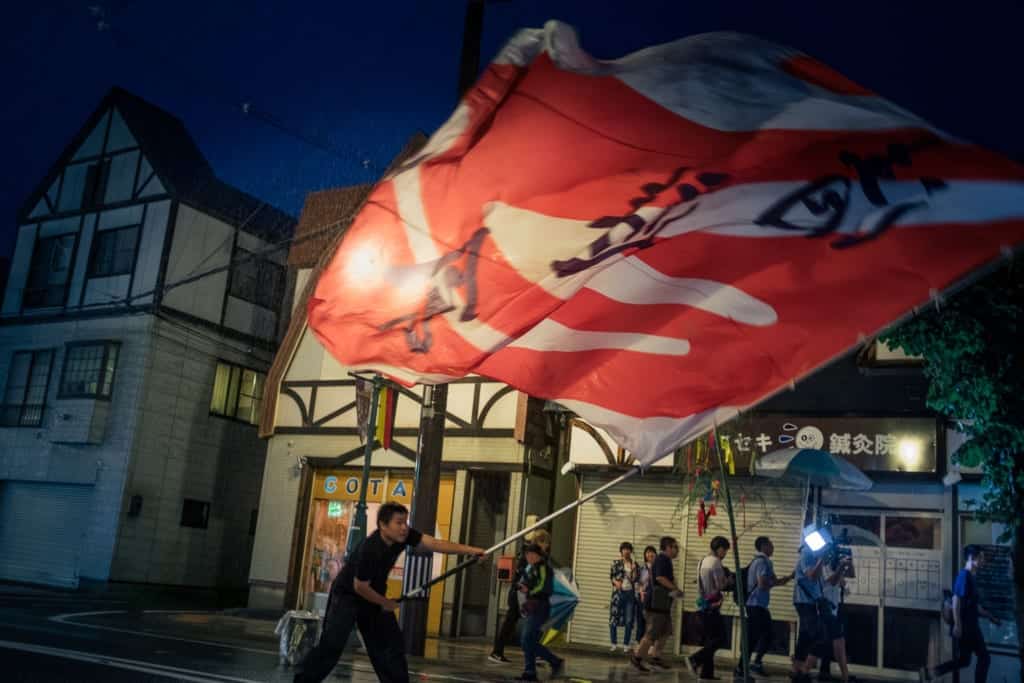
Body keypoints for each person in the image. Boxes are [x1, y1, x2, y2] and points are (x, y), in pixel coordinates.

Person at [294, 502, 486, 683]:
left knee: (391, 647)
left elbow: (435, 544)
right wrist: (384, 603)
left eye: (405, 522)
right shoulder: (370, 548)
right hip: (347, 597)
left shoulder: (403, 536)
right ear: (383, 525)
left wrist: (471, 550)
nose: (404, 527)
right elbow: (360, 586)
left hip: (373, 595)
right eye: (399, 523)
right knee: (332, 646)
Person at [921, 545, 1001, 683]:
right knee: (984, 657)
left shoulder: (971, 577)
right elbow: (956, 599)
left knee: (964, 661)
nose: (984, 560)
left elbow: (974, 606)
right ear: (971, 558)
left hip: (969, 626)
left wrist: (991, 617)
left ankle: (930, 673)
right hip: (968, 627)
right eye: (981, 557)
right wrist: (958, 625)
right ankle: (930, 673)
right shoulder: (964, 576)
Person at [489, 529, 552, 664]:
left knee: (513, 623)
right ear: (540, 542)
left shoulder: (531, 555)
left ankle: (498, 651)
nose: (547, 546)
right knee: (519, 623)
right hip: (520, 595)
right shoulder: (531, 556)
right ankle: (498, 652)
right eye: (546, 543)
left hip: (521, 594)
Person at [735, 536, 792, 677]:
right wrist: (772, 583)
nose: (773, 547)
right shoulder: (761, 563)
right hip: (755, 605)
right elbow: (762, 584)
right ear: (764, 546)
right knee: (757, 637)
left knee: (764, 635)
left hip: (758, 606)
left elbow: (774, 581)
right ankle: (745, 667)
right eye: (771, 544)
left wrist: (790, 577)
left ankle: (751, 665)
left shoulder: (766, 562)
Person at [631, 536, 684, 673]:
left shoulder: (666, 560)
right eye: (675, 547)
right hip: (656, 604)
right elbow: (660, 578)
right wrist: (674, 589)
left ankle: (655, 656)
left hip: (663, 604)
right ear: (668, 548)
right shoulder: (662, 559)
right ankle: (637, 658)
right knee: (652, 633)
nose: (677, 550)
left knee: (666, 631)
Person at [688, 535, 735, 681]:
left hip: (703, 605)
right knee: (720, 639)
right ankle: (695, 659)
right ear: (720, 549)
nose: (725, 554)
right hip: (712, 607)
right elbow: (721, 585)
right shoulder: (715, 562)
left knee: (710, 640)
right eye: (725, 550)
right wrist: (729, 580)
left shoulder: (703, 560)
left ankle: (706, 673)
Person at [517, 542, 566, 682]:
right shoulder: (530, 569)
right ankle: (532, 670)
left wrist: (529, 590)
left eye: (532, 555)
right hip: (533, 606)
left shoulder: (544, 567)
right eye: (527, 555)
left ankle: (534, 669)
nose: (529, 557)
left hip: (540, 607)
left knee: (527, 639)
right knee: (530, 640)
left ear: (538, 555)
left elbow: (544, 587)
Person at [791, 541, 828, 683]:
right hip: (804, 602)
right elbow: (811, 575)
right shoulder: (807, 552)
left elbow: (816, 579)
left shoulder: (812, 555)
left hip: (809, 602)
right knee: (820, 637)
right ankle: (804, 671)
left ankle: (797, 671)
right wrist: (821, 559)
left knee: (805, 637)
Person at [817, 555, 853, 683]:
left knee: (828, 643)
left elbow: (847, 591)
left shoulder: (837, 573)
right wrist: (840, 571)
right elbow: (831, 581)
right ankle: (844, 677)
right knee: (835, 643)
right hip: (825, 611)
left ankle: (824, 672)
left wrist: (846, 569)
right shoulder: (823, 568)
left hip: (834, 611)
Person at [609, 541, 640, 652]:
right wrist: (615, 582)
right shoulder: (616, 563)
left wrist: (634, 570)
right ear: (621, 551)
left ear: (631, 551)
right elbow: (611, 576)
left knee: (629, 619)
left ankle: (626, 644)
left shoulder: (634, 564)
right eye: (624, 549)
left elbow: (636, 580)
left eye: (628, 549)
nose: (626, 551)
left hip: (630, 594)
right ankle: (613, 643)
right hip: (618, 594)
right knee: (613, 618)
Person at [633, 545, 658, 658]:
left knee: (652, 624)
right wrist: (641, 591)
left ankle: (651, 646)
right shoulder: (641, 568)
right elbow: (637, 582)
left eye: (652, 552)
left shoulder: (658, 568)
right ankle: (638, 644)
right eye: (647, 552)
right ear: (645, 555)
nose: (650, 554)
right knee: (641, 622)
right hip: (642, 598)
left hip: (654, 600)